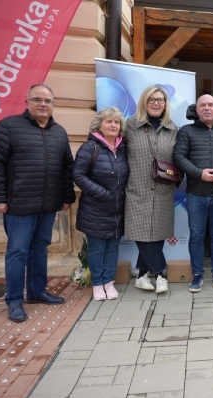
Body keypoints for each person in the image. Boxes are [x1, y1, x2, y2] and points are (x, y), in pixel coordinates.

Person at [0, 83, 76, 322]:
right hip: (19, 204)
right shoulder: (8, 126)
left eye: (47, 100)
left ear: (53, 105)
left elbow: (67, 167)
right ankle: (14, 299)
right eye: (37, 99)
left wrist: (67, 197)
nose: (43, 104)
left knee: (40, 247)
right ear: (27, 102)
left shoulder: (59, 132)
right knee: (17, 251)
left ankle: (37, 291)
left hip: (48, 204)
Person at [174, 94, 213, 292]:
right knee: (196, 236)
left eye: (210, 105)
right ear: (197, 109)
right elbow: (179, 156)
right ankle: (197, 274)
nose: (207, 108)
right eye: (202, 105)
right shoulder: (186, 131)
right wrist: (199, 173)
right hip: (196, 194)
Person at [124, 85, 178, 294]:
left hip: (163, 190)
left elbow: (178, 158)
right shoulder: (130, 126)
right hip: (137, 189)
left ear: (165, 104)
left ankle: (141, 276)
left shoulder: (172, 129)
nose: (156, 103)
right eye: (152, 99)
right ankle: (160, 274)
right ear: (144, 102)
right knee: (141, 232)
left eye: (160, 100)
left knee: (157, 233)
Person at [73, 107, 129, 300]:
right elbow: (78, 175)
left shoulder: (123, 148)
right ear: (99, 125)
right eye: (109, 121)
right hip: (95, 209)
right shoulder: (90, 148)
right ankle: (97, 284)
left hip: (118, 209)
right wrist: (102, 193)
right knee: (97, 249)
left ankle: (108, 282)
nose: (113, 125)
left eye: (116, 122)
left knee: (113, 248)